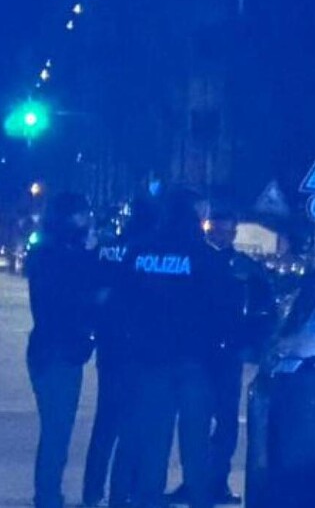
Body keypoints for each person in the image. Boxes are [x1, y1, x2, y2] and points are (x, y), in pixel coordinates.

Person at [119, 190, 239, 508]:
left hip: (150, 362)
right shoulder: (205, 257)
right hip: (194, 363)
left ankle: (148, 501)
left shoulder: (139, 253)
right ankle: (199, 500)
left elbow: (122, 304)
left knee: (153, 444)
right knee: (196, 446)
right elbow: (223, 312)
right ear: (194, 216)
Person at [166, 208, 273, 505]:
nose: (220, 237)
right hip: (198, 355)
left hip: (228, 355)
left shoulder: (245, 268)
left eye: (225, 232)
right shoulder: (195, 262)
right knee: (195, 423)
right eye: (215, 232)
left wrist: (250, 343)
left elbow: (264, 309)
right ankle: (194, 482)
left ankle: (217, 482)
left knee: (226, 423)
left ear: (234, 233)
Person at [82, 196, 159, 508]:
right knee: (133, 425)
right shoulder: (147, 253)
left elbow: (94, 290)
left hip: (109, 346)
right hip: (138, 348)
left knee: (105, 423)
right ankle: (121, 494)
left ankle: (91, 493)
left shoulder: (109, 248)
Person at [25, 192, 101, 508]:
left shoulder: (46, 251)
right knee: (57, 430)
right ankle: (47, 496)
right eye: (82, 214)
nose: (87, 220)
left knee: (55, 429)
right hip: (59, 350)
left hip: (48, 348)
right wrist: (89, 255)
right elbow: (76, 295)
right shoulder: (62, 255)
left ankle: (48, 493)